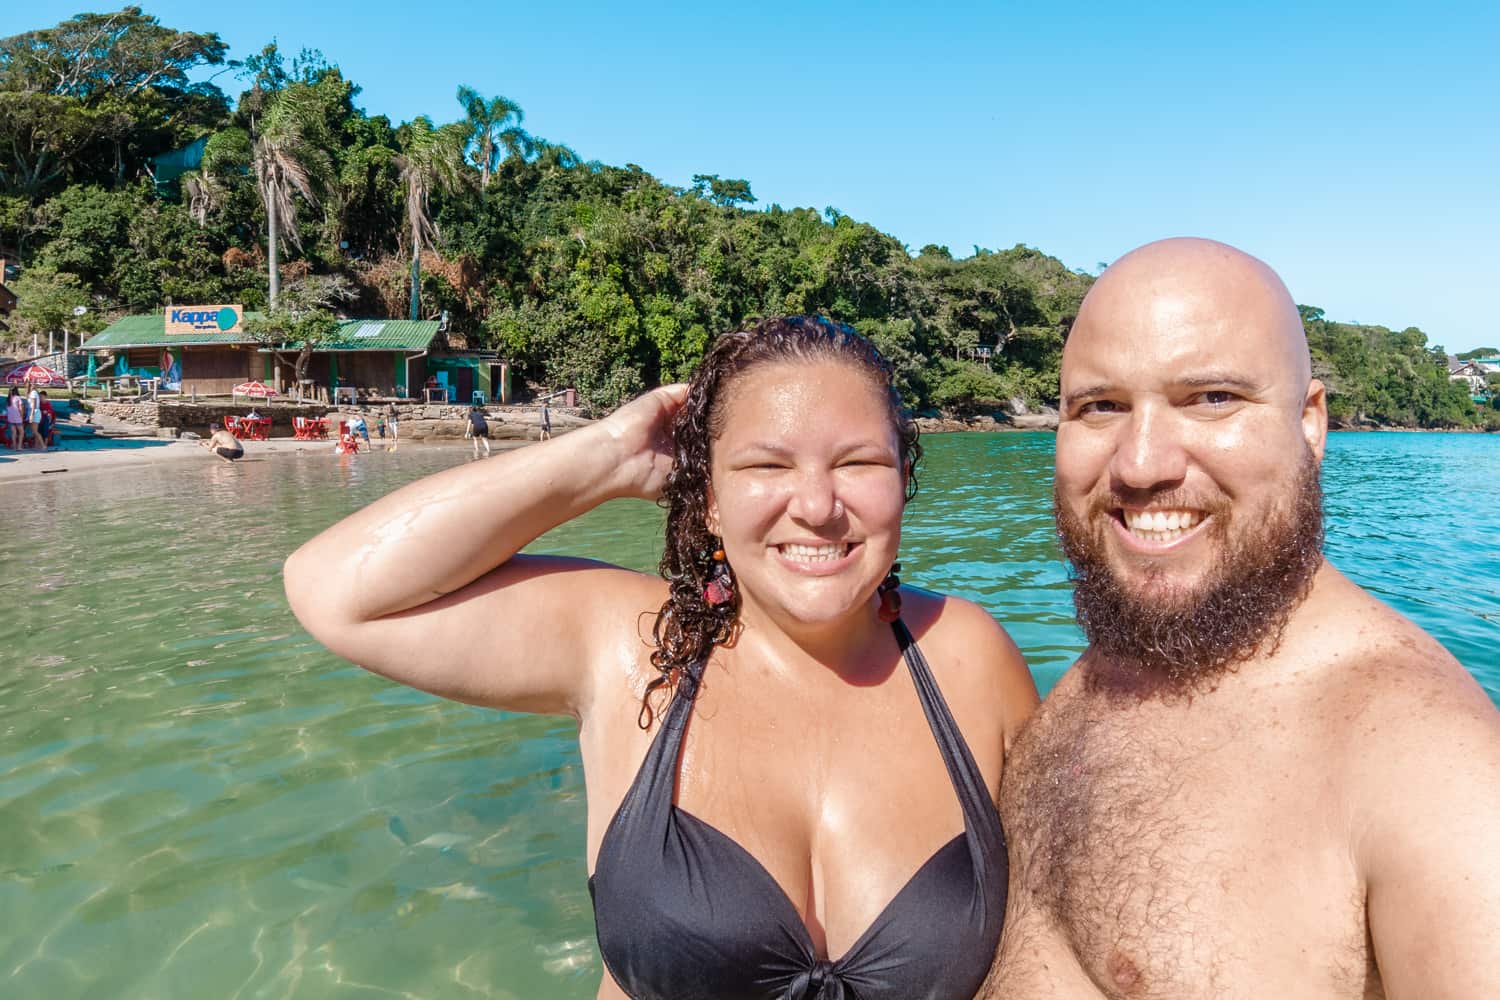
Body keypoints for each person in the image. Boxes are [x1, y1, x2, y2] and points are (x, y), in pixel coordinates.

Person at [285, 316, 1038, 999]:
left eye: (859, 462)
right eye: (766, 467)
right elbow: (335, 592)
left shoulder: (967, 657)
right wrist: (604, 459)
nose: (816, 504)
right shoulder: (630, 645)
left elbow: (1053, 946)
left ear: (902, 481)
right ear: (707, 498)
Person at [982, 238, 1500, 999]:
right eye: (1102, 406)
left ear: (1312, 421)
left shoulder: (1432, 768)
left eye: (1211, 398)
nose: (1140, 463)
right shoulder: (1105, 673)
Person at [26, 385, 44, 449]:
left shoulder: (33, 393)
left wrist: (31, 415)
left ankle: (43, 445)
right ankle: (36, 445)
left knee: (35, 431)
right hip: (34, 412)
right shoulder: (33, 392)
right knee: (35, 431)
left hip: (34, 413)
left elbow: (33, 405)